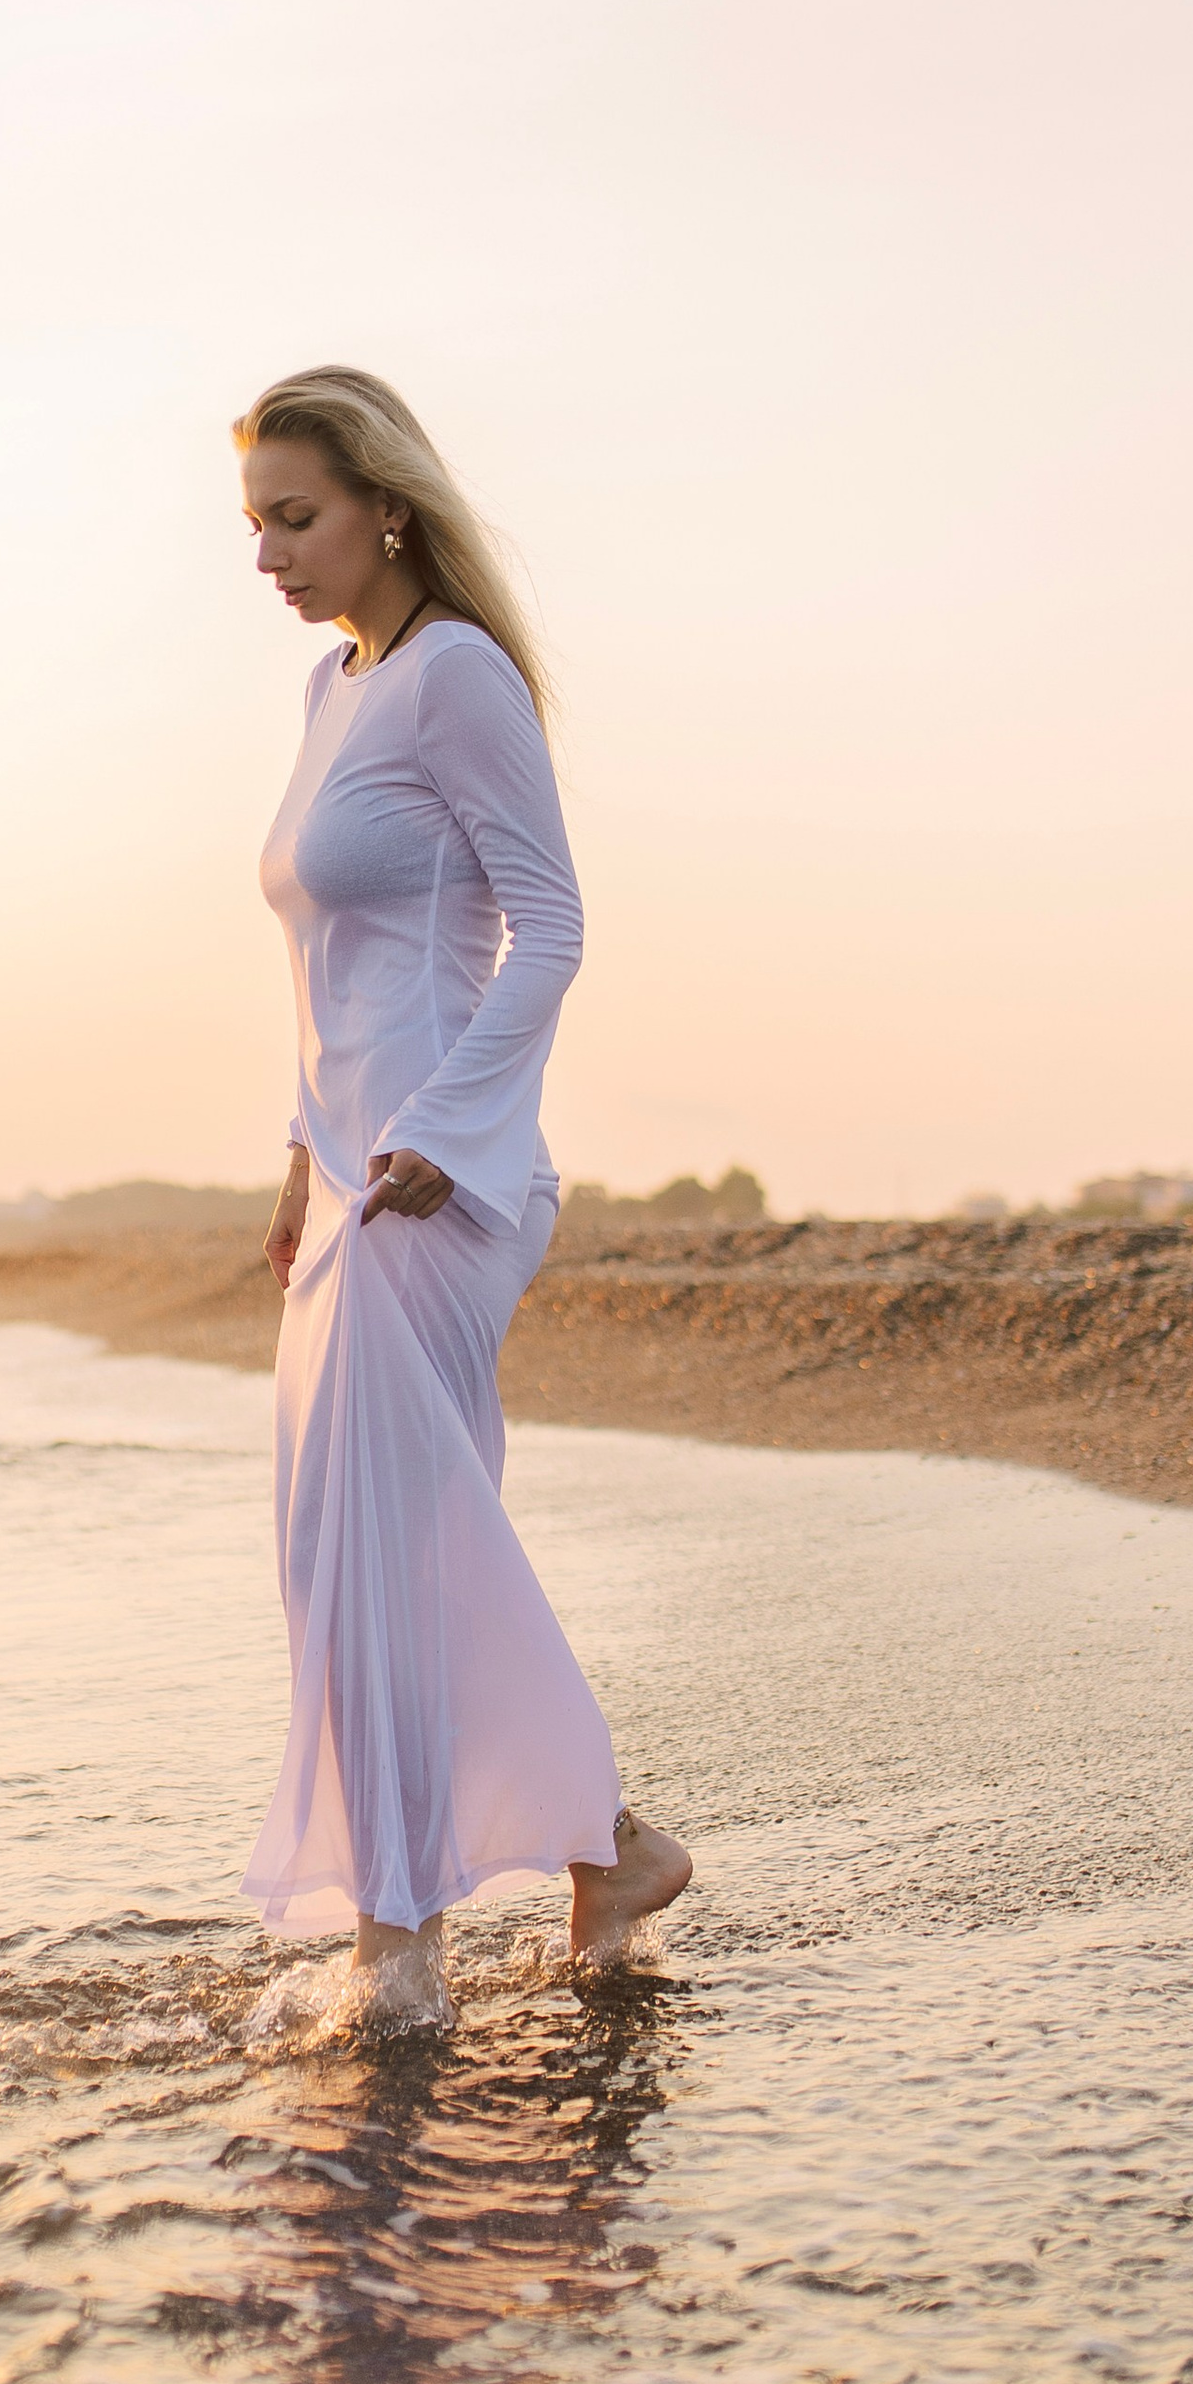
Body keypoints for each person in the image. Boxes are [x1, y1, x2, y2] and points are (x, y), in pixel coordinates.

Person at [234, 366, 692, 1993]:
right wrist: (301, 1155)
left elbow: (546, 925)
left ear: (387, 506)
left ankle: (403, 1943)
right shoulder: (329, 696)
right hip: (347, 1191)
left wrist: (444, 1125)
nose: (271, 556)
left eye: (297, 518)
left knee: (390, 1556)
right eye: (256, 525)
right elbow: (329, 973)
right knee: (361, 1556)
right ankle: (609, 1854)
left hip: (437, 1187)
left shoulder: (458, 677)